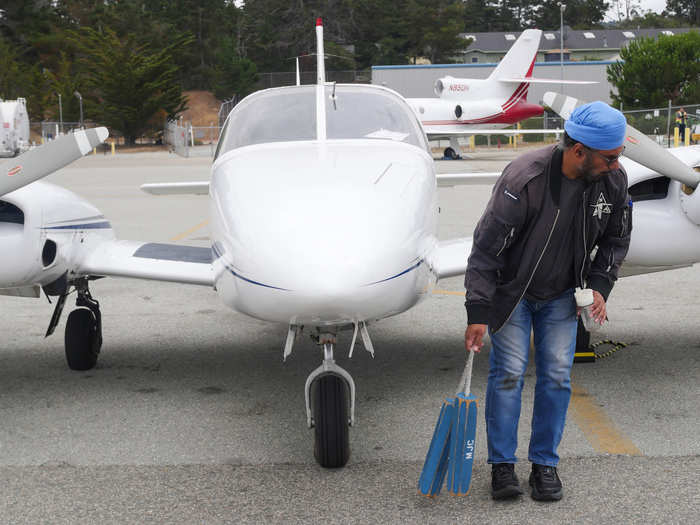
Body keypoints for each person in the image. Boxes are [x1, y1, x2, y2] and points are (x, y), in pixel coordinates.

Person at [463, 101, 632, 502]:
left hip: (562, 295)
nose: (617, 165)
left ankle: (544, 465)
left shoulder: (614, 180)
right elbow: (485, 249)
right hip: (513, 295)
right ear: (578, 151)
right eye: (610, 157)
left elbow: (616, 238)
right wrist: (478, 310)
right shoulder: (524, 179)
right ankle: (502, 466)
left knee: (557, 377)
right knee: (508, 375)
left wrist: (599, 288)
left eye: (619, 156)